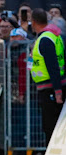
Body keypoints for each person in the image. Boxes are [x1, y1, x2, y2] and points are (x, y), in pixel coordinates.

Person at [30, 8, 66, 147]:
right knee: (50, 123)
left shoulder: (45, 39)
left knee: (50, 124)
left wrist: (57, 91)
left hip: (50, 88)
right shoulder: (54, 36)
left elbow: (53, 67)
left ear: (33, 22)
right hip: (52, 86)